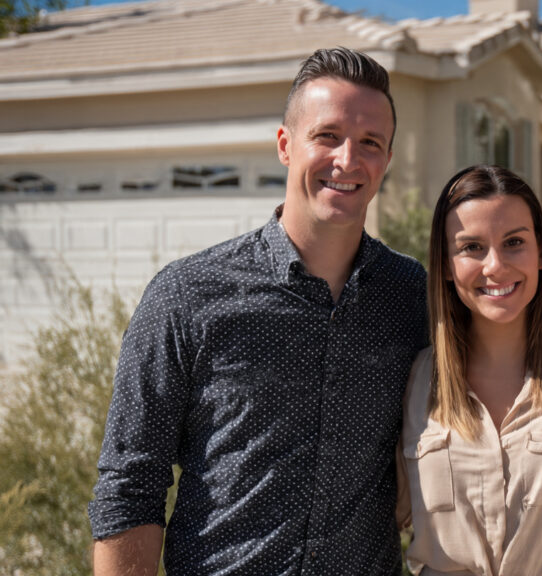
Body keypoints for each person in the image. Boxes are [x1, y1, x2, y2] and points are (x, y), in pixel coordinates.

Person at [88, 47, 428, 575]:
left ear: (386, 159)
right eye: (327, 136)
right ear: (285, 145)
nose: (347, 159)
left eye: (370, 143)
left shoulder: (412, 297)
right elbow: (131, 485)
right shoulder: (188, 296)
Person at [397, 165, 542, 576]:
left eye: (514, 243)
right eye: (471, 247)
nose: (495, 265)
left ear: (541, 253)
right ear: (445, 265)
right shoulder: (412, 382)